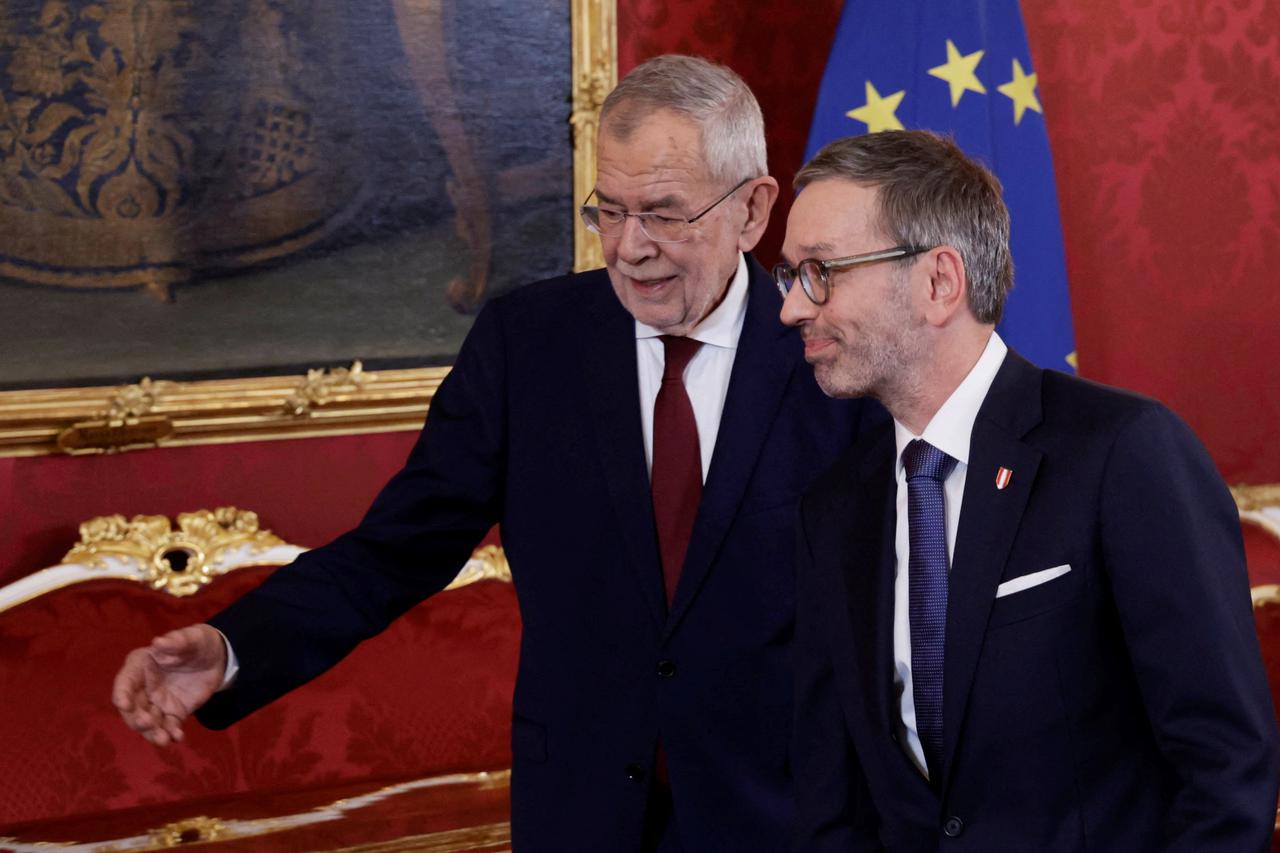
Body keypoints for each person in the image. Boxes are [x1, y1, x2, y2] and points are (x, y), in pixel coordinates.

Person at [112, 55, 873, 852]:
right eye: (607, 211)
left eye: (663, 213)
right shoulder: (528, 345)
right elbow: (395, 550)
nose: (628, 247)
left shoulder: (832, 357)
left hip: (785, 822)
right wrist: (236, 649)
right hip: (578, 818)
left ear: (752, 212)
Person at [778, 129, 1280, 851]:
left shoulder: (1123, 452)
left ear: (939, 282)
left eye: (820, 272)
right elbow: (835, 799)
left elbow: (1227, 768)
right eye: (790, 276)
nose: (793, 308)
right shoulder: (835, 506)